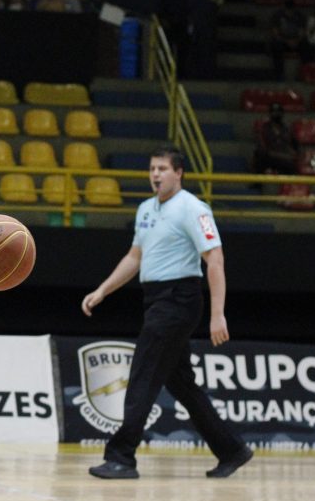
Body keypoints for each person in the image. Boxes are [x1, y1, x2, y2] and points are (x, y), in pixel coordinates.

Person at [81, 148, 253, 480]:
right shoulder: (146, 209)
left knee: (143, 373)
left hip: (179, 299)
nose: (155, 175)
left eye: (162, 169)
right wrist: (103, 290)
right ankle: (231, 449)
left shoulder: (193, 208)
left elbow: (215, 259)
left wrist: (218, 314)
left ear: (179, 173)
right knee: (182, 384)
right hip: (156, 299)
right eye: (152, 169)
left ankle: (121, 457)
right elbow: (134, 257)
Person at [253, 103, 299, 175]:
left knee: (291, 165)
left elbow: (294, 147)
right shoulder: (263, 129)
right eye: (274, 112)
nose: (276, 114)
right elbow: (263, 149)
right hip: (268, 158)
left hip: (284, 158)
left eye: (278, 112)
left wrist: (292, 154)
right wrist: (281, 156)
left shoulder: (287, 129)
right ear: (270, 113)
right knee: (260, 159)